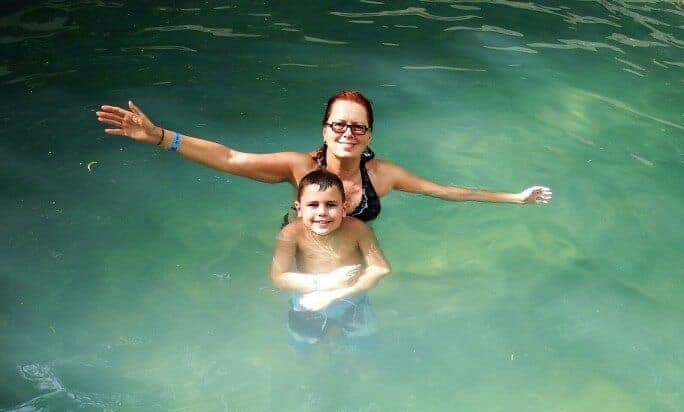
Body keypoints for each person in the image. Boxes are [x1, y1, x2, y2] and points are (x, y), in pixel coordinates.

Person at [96, 89, 551, 226]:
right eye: (340, 125)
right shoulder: (300, 167)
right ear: (325, 130)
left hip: (350, 256)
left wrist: (514, 198)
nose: (348, 133)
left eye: (358, 126)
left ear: (369, 133)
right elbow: (232, 158)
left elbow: (448, 191)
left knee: (356, 331)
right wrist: (161, 137)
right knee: (308, 331)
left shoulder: (383, 174)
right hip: (303, 254)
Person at [270, 169, 391, 347]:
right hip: (308, 299)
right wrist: (324, 283)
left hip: (351, 297)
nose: (322, 212)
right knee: (303, 347)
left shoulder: (357, 230)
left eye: (331, 205)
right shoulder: (291, 233)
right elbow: (278, 277)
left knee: (364, 346)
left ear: (344, 208)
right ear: (299, 209)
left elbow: (380, 268)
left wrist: (335, 294)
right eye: (312, 205)